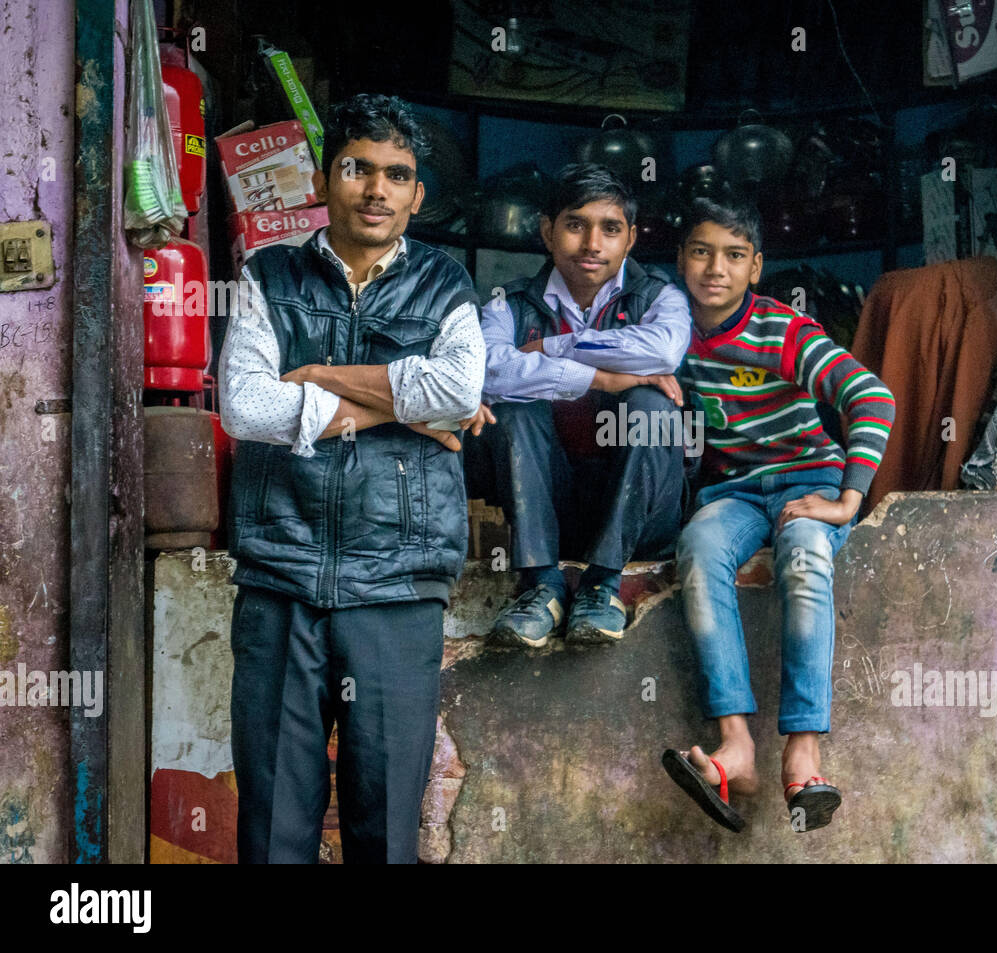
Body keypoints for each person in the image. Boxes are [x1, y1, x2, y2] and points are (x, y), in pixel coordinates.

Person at [217, 93, 485, 863]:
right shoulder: (267, 275)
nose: (376, 190)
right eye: (357, 168)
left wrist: (325, 377)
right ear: (324, 178)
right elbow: (244, 405)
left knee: (388, 831)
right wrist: (400, 404)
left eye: (396, 175)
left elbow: (461, 395)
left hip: (398, 585)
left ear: (416, 195)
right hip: (280, 577)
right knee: (273, 831)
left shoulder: (446, 285)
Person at [661, 199, 896, 833]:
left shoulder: (782, 330)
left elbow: (872, 395)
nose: (716, 268)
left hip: (810, 477)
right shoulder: (668, 330)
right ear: (681, 259)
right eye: (702, 251)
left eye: (735, 256)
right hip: (734, 492)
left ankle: (804, 751)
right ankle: (737, 746)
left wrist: (848, 497)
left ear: (756, 267)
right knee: (700, 550)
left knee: (806, 553)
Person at [464, 163, 692, 649]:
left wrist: (550, 349)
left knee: (652, 407)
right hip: (545, 510)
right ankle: (543, 585)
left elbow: (664, 351)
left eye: (610, 229)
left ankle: (601, 584)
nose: (592, 243)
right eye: (575, 225)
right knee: (514, 409)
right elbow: (485, 370)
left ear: (630, 238)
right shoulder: (509, 305)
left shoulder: (660, 298)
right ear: (548, 231)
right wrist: (603, 376)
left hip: (643, 516)